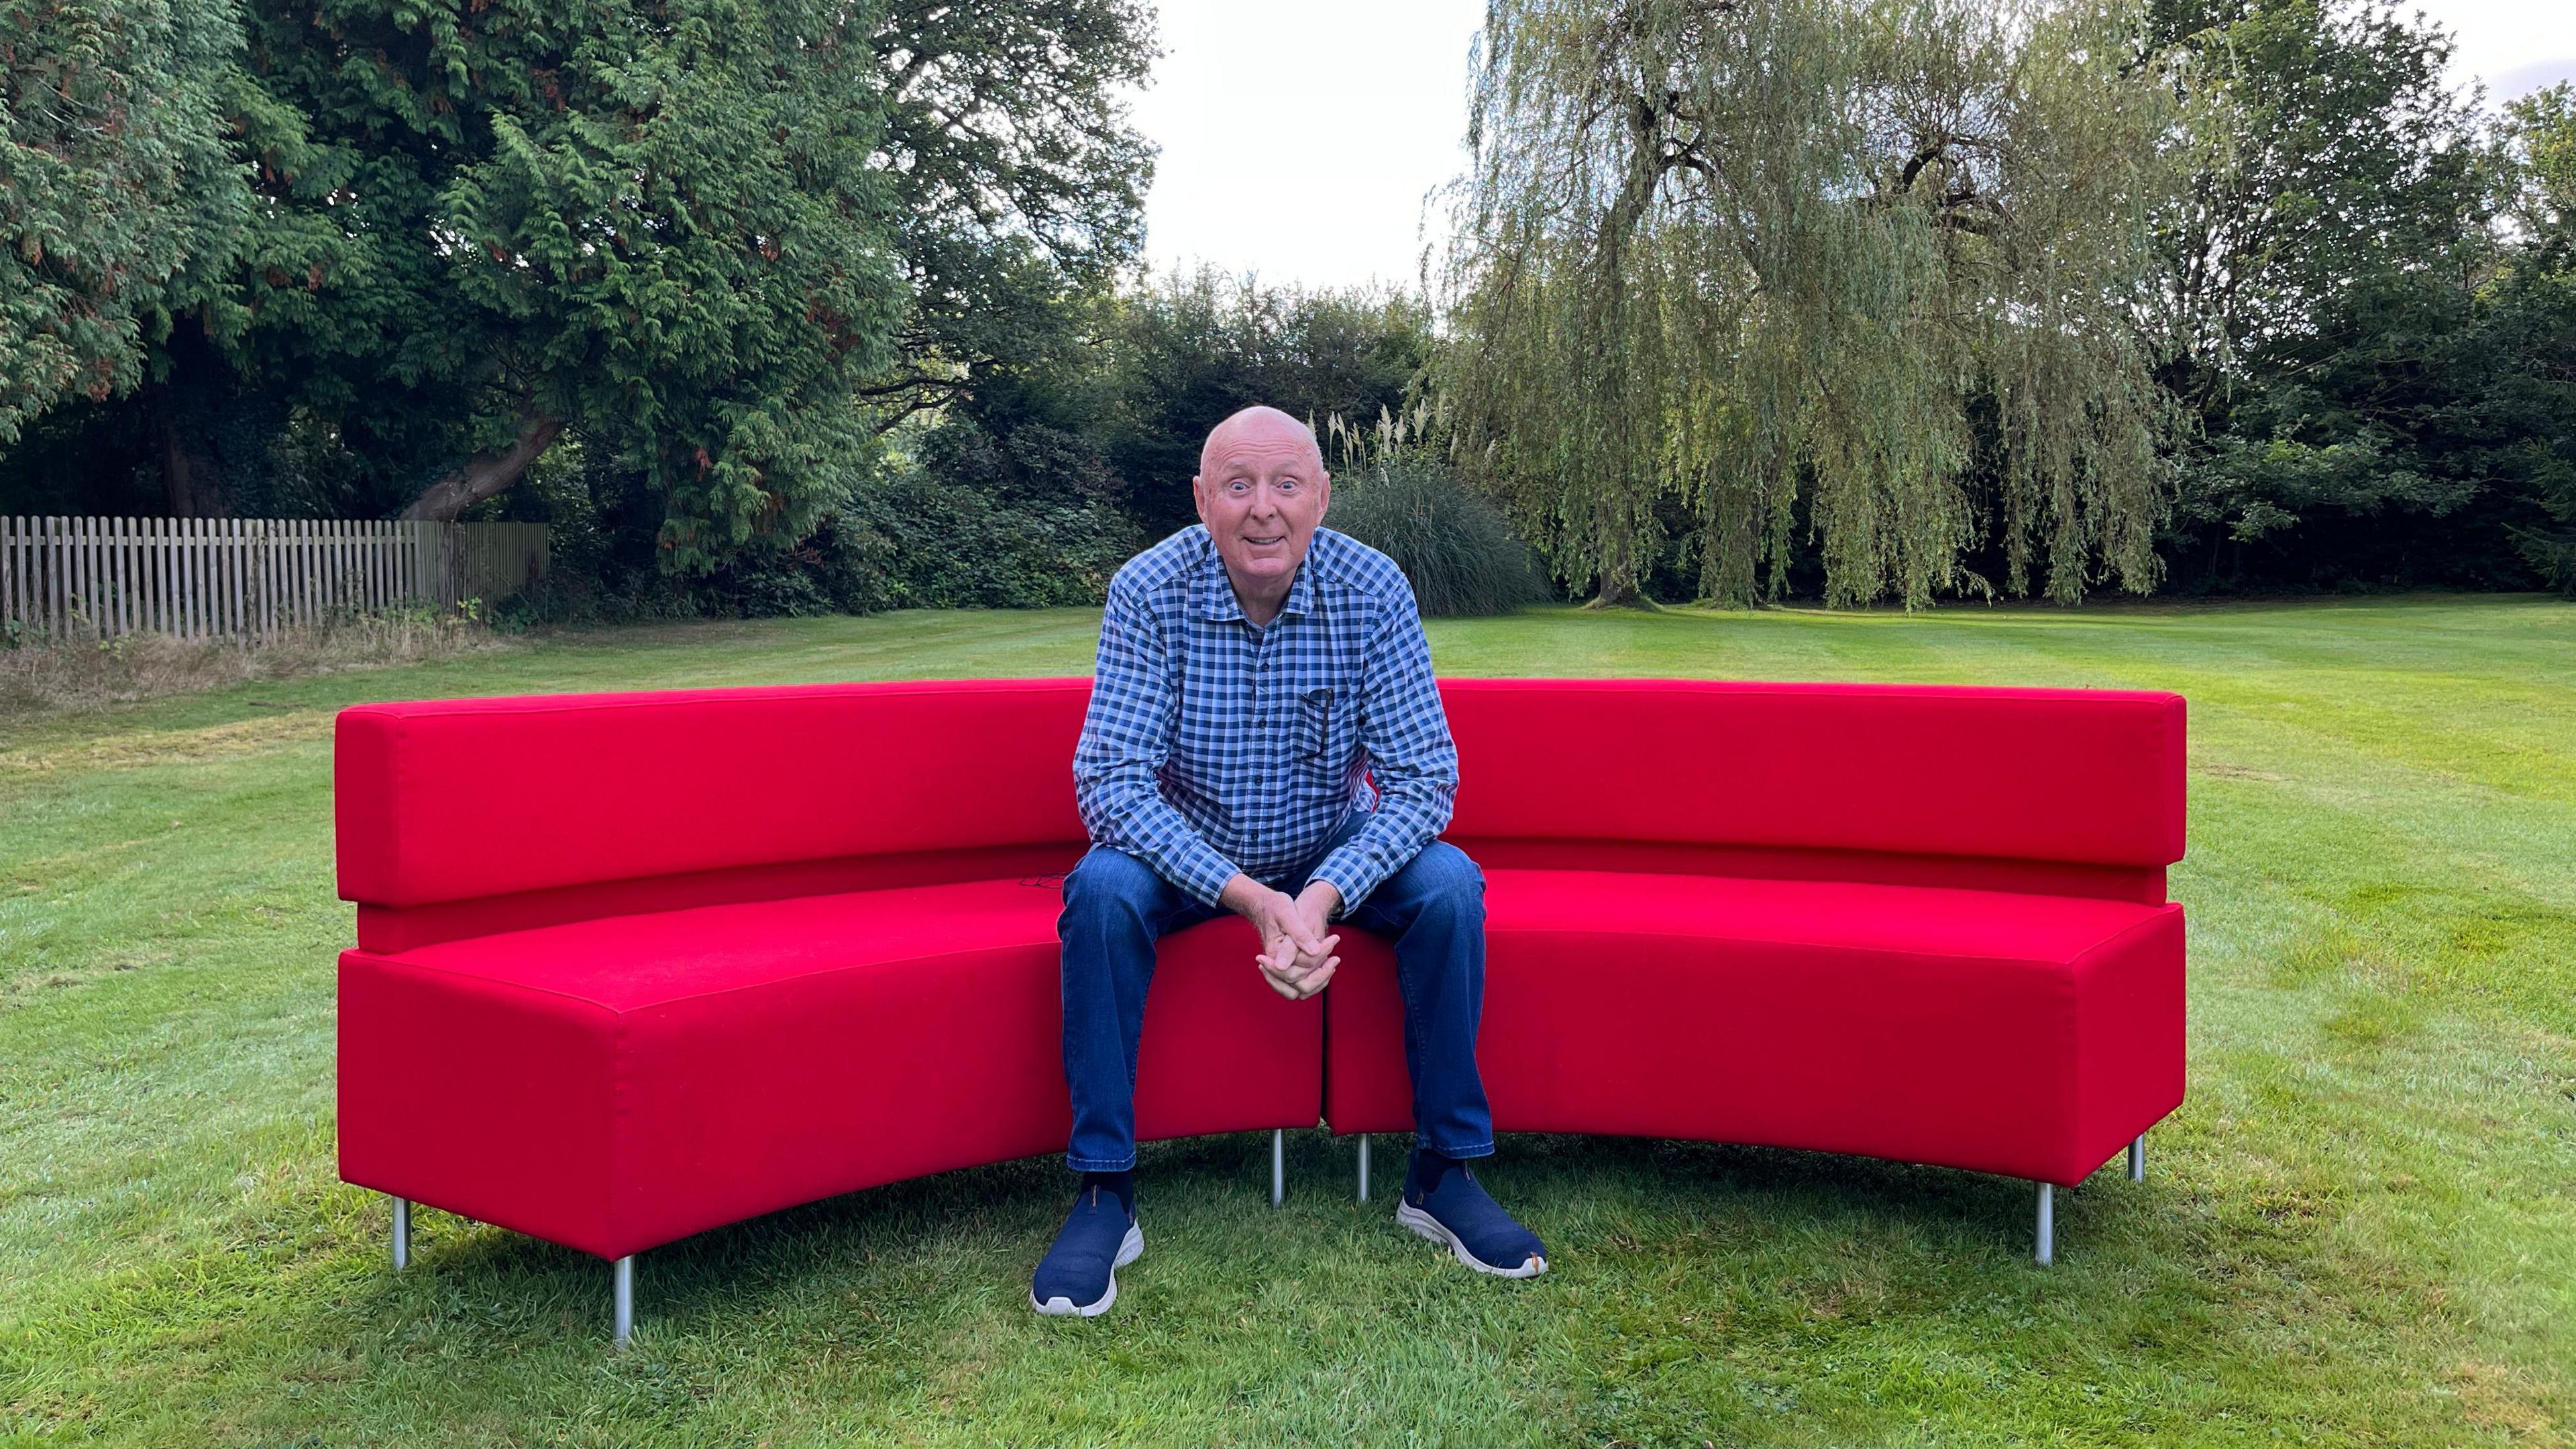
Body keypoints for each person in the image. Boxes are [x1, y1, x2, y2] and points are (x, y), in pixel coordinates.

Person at [1031, 405, 1546, 1318]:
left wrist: (1318, 894)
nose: (1262, 510)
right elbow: (1110, 785)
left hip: (1330, 855)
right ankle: (1106, 1191)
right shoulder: (1149, 590)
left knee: (1450, 885)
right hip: (1191, 858)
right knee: (1103, 888)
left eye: (1285, 485)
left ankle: (1442, 1175)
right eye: (1237, 487)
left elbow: (1425, 782)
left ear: (1322, 496)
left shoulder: (1373, 588)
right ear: (1202, 500)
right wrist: (1247, 897)